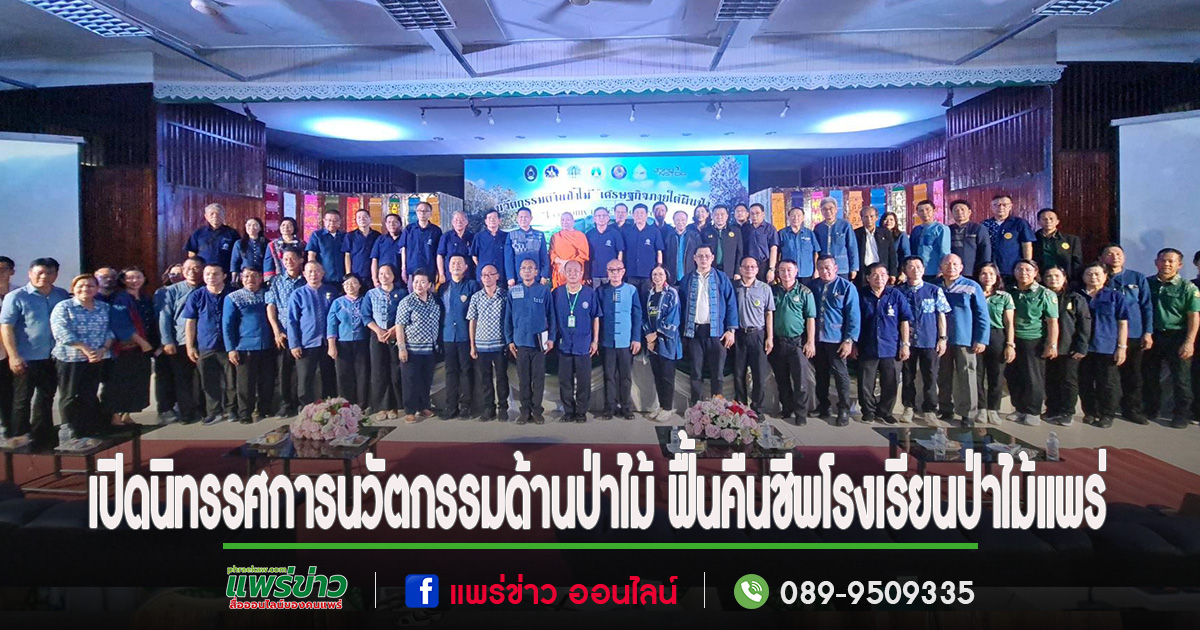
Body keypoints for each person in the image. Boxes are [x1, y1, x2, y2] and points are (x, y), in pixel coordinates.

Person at [49, 274, 113, 437]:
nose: (85, 289)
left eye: (90, 286)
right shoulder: (64, 306)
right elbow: (61, 332)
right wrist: (85, 349)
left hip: (96, 358)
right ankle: (70, 430)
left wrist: (103, 349)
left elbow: (110, 331)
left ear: (97, 289)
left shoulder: (104, 307)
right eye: (81, 286)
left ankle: (88, 429)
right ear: (73, 289)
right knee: (70, 395)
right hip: (70, 358)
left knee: (89, 394)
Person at [1145, 248, 1200, 428]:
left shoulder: (1188, 287)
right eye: (1163, 260)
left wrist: (1189, 342)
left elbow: (1193, 316)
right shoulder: (1147, 283)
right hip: (1153, 335)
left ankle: (1181, 414)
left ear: (1180, 265)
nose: (1166, 264)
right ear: (1156, 262)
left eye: (1171, 261)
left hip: (1177, 336)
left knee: (1181, 379)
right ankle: (1151, 409)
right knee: (1150, 375)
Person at [1101, 243, 1154, 425]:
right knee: (1108, 377)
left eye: (1118, 253)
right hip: (1108, 335)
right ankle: (1107, 411)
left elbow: (1147, 306)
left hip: (1134, 333)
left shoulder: (1137, 277)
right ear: (1102, 258)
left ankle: (1132, 410)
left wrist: (1148, 332)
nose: (1114, 257)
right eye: (1109, 253)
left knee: (1133, 375)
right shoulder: (1100, 277)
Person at [679, 246, 738, 405]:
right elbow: (681, 306)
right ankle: (695, 408)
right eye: (700, 256)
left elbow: (731, 303)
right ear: (694, 258)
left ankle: (717, 409)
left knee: (717, 373)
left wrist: (731, 330)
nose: (703, 259)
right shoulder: (687, 279)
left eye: (707, 256)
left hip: (716, 332)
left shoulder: (721, 278)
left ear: (712, 258)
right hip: (694, 332)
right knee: (695, 372)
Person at [856, 263, 913, 425]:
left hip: (891, 346)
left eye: (882, 274)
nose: (879, 278)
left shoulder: (896, 295)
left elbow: (904, 320)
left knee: (890, 382)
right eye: (875, 275)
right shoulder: (861, 295)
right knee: (865, 382)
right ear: (868, 278)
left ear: (888, 277)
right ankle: (868, 411)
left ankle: (885, 411)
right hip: (867, 345)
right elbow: (854, 320)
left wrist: (905, 344)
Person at [937, 254, 990, 427]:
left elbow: (982, 315)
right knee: (943, 375)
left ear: (961, 267)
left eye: (955, 264)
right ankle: (945, 408)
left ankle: (968, 413)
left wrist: (981, 339)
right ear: (940, 266)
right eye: (947, 263)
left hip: (965, 338)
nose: (950, 267)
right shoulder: (935, 286)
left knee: (967, 375)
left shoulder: (972, 286)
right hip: (941, 340)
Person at [94, 267, 151, 426]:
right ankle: (114, 416)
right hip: (125, 347)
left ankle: (126, 414)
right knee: (118, 383)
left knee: (136, 382)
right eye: (130, 278)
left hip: (141, 348)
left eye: (138, 276)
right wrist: (142, 342)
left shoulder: (145, 297)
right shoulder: (120, 298)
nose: (135, 281)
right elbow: (120, 325)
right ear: (123, 280)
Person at [1006, 259, 1059, 426]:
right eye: (1019, 269)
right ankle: (1019, 408)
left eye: (1028, 270)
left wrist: (1052, 344)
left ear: (1036, 273)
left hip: (1033, 339)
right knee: (1014, 375)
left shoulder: (1045, 294)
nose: (1023, 273)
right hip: (1012, 339)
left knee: (1032, 377)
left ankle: (1033, 411)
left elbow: (1052, 321)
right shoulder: (1009, 291)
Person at [898, 256, 950, 424]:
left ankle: (930, 410)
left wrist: (942, 338)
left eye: (919, 266)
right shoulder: (898, 291)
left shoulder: (934, 290)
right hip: (907, 342)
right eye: (911, 267)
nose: (916, 270)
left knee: (930, 376)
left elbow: (941, 315)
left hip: (929, 339)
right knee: (908, 375)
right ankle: (908, 407)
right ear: (905, 270)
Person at [504, 259, 555, 425]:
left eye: (530, 268)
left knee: (538, 379)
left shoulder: (544, 290)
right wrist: (509, 340)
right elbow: (507, 317)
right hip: (520, 342)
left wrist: (552, 338)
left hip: (539, 344)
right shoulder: (513, 291)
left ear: (536, 272)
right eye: (524, 268)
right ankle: (525, 411)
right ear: (519, 272)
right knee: (524, 379)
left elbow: (551, 315)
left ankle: (537, 411)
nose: (527, 271)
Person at [811, 255, 860, 426]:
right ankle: (824, 406)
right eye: (821, 268)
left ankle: (843, 409)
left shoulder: (846, 287)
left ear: (836, 268)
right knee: (821, 373)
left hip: (837, 339)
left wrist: (849, 340)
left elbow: (853, 316)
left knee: (840, 374)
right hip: (818, 338)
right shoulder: (813, 286)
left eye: (828, 268)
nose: (824, 271)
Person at [184, 263, 234, 425]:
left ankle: (232, 410)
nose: (211, 277)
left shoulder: (232, 293)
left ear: (224, 276)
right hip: (206, 345)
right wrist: (190, 346)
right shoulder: (197, 295)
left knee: (232, 381)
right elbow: (190, 322)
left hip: (229, 346)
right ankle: (214, 412)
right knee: (208, 382)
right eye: (207, 274)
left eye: (215, 274)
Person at [1079, 262, 1128, 429]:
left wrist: (1122, 347)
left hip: (1106, 347)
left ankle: (1107, 414)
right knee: (1085, 381)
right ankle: (1090, 412)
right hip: (1083, 346)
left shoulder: (1116, 296)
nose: (1093, 277)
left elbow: (1122, 323)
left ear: (1105, 276)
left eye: (1097, 274)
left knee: (1107, 383)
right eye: (1089, 274)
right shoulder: (1077, 295)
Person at [222, 266, 274, 424]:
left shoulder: (268, 294)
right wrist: (231, 348)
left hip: (267, 345)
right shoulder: (233, 297)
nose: (250, 279)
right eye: (246, 276)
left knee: (267, 380)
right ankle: (245, 412)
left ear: (261, 278)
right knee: (245, 384)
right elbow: (227, 325)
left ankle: (265, 408)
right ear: (241, 279)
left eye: (254, 276)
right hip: (244, 346)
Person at [158, 257, 204, 424]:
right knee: (183, 379)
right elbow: (164, 317)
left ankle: (203, 410)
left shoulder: (207, 288)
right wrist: (167, 341)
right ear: (183, 271)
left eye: (196, 268)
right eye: (188, 268)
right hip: (180, 341)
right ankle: (186, 413)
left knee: (203, 379)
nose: (192, 271)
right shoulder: (170, 291)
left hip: (204, 341)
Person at [770, 259, 816, 425]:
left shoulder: (805, 292)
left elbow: (810, 318)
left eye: (789, 270)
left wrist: (810, 342)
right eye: (782, 270)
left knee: (800, 380)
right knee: (781, 379)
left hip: (797, 342)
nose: (786, 273)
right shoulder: (773, 291)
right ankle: (787, 409)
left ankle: (801, 413)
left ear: (796, 271)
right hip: (778, 342)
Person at [552, 260, 599, 422]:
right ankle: (568, 411)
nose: (572, 274)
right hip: (564, 343)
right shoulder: (557, 293)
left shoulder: (589, 293)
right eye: (569, 271)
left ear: (581, 273)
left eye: (576, 271)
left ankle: (581, 412)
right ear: (564, 273)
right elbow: (551, 318)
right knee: (565, 380)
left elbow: (596, 317)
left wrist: (595, 341)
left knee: (584, 381)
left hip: (583, 344)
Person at [1043, 266, 1090, 425]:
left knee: (1068, 380)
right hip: (1047, 346)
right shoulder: (1042, 296)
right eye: (1049, 276)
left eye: (1057, 276)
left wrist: (1081, 346)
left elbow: (1084, 323)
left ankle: (1067, 412)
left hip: (1069, 347)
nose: (1053, 279)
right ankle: (1052, 409)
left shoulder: (1075, 298)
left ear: (1064, 278)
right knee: (1051, 379)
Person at [598, 258, 643, 420]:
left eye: (618, 270)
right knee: (609, 376)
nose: (615, 273)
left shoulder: (631, 290)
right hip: (607, 341)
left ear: (623, 271)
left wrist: (636, 338)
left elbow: (637, 315)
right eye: (611, 270)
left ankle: (626, 407)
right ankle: (609, 407)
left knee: (625, 377)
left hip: (626, 341)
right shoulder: (601, 291)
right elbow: (597, 318)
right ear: (607, 272)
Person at [395, 269, 442, 423]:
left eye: (422, 282)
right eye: (415, 282)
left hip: (430, 348)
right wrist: (402, 348)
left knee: (425, 380)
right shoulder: (407, 302)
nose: (418, 285)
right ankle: (410, 410)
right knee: (410, 381)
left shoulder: (435, 300)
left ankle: (424, 406)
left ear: (429, 284)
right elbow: (399, 326)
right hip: (411, 349)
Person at [287, 261, 335, 406]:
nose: (313, 275)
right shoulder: (298, 294)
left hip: (327, 342)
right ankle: (305, 408)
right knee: (305, 378)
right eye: (310, 272)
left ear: (322, 273)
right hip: (306, 343)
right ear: (304, 274)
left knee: (329, 377)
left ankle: (330, 407)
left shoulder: (331, 291)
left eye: (316, 271)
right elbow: (292, 321)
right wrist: (294, 344)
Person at [732, 257, 774, 416]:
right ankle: (740, 409)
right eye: (745, 266)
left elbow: (769, 313)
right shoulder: (734, 287)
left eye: (752, 266)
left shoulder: (764, 288)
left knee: (759, 375)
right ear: (740, 269)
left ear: (757, 269)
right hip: (739, 335)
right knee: (739, 374)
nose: (749, 269)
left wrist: (770, 337)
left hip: (758, 335)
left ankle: (757, 410)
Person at [266, 249, 305, 417]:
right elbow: (271, 306)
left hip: (304, 332)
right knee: (284, 370)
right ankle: (285, 404)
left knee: (302, 371)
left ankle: (302, 404)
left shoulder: (306, 280)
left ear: (301, 260)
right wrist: (276, 331)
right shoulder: (276, 281)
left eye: (292, 258)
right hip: (284, 332)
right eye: (286, 258)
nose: (288, 261)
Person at [363, 263, 406, 421]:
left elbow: (406, 313)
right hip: (377, 335)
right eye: (381, 274)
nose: (384, 276)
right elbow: (366, 316)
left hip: (396, 334)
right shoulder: (371, 294)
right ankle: (382, 407)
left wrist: (394, 329)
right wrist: (378, 331)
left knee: (396, 370)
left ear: (394, 275)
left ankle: (396, 405)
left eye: (387, 273)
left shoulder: (402, 293)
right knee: (379, 371)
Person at [439, 255, 480, 419]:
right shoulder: (443, 287)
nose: (456, 265)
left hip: (465, 336)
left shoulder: (472, 286)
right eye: (453, 263)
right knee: (450, 372)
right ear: (448, 267)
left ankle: (466, 406)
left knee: (466, 371)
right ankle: (451, 406)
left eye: (459, 263)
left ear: (466, 267)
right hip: (448, 335)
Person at [468, 264, 509, 421]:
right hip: (482, 345)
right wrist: (472, 345)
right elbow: (472, 321)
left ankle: (503, 407)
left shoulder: (505, 296)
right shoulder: (476, 297)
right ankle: (488, 408)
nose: (487, 277)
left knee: (501, 377)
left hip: (500, 344)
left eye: (491, 274)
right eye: (484, 275)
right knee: (485, 379)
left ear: (497, 276)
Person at [977, 263, 1015, 425]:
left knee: (996, 375)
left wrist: (1010, 344)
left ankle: (993, 409)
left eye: (991, 274)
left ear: (997, 276)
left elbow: (1009, 323)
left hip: (997, 335)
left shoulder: (1004, 296)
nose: (988, 277)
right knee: (977, 375)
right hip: (977, 336)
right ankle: (981, 408)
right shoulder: (973, 293)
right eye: (984, 273)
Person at [324, 273, 370, 409]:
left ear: (359, 285)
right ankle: (346, 406)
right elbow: (331, 324)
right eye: (347, 284)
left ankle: (362, 405)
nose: (350, 286)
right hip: (343, 343)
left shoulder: (365, 300)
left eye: (353, 283)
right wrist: (331, 345)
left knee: (362, 374)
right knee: (344, 375)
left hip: (362, 342)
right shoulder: (337, 303)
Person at [644, 265, 682, 422]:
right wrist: (648, 335)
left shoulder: (672, 293)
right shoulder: (650, 294)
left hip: (667, 342)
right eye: (654, 274)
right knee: (658, 375)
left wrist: (656, 335)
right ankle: (661, 405)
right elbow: (645, 317)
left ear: (666, 276)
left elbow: (674, 317)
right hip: (652, 343)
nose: (657, 277)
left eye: (660, 274)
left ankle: (668, 408)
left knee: (667, 376)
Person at [982, 194, 1035, 283]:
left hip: (1012, 268)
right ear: (991, 207)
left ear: (1010, 206)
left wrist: (1027, 265)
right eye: (996, 205)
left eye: (1004, 205)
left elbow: (1027, 245)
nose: (1001, 207)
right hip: (990, 269)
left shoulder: (1019, 223)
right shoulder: (985, 224)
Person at [153, 265, 181, 423]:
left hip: (182, 341)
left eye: (180, 273)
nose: (176, 276)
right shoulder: (163, 292)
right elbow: (162, 317)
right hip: (165, 342)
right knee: (165, 375)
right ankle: (165, 408)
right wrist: (166, 341)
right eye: (173, 273)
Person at [621, 204, 664, 297]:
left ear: (646, 215)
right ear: (633, 215)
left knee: (647, 299)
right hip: (631, 272)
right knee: (632, 299)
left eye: (642, 213)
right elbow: (622, 251)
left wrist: (659, 267)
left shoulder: (654, 231)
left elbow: (659, 251)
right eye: (637, 213)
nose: (639, 215)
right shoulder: (626, 232)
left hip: (648, 273)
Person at [813, 198, 859, 281]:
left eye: (831, 208)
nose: (828, 211)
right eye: (824, 209)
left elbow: (852, 247)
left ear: (836, 209)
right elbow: (816, 250)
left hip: (841, 267)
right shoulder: (818, 228)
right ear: (821, 211)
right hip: (824, 269)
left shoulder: (845, 225)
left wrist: (854, 268)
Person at [185, 203, 238, 272]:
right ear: (206, 216)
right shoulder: (199, 232)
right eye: (212, 214)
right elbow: (192, 253)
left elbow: (237, 254)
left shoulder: (232, 233)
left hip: (224, 272)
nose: (215, 216)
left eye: (218, 213)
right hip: (203, 272)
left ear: (223, 215)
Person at [1034, 208, 1083, 282]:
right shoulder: (1032, 240)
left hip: (1066, 280)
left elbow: (1077, 262)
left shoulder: (1071, 239)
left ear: (1057, 221)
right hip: (1040, 279)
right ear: (1038, 222)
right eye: (1044, 219)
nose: (1048, 221)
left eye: (1051, 219)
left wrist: (1074, 280)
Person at [504, 207, 550, 286]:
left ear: (531, 218)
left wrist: (544, 275)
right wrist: (510, 277)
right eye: (521, 217)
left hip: (537, 278)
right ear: (517, 219)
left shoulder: (539, 235)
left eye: (526, 217)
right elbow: (508, 258)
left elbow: (544, 256)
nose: (523, 219)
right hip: (518, 278)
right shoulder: (511, 235)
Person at [401, 202, 442, 287]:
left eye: (425, 211)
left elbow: (439, 253)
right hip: (412, 269)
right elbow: (404, 249)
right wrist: (403, 268)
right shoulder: (409, 229)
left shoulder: (436, 230)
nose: (422, 213)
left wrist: (439, 271)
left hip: (429, 269)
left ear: (430, 213)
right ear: (416, 212)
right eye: (420, 211)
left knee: (429, 293)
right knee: (412, 293)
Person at [948, 200, 991, 279]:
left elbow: (985, 248)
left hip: (972, 271)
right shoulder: (948, 229)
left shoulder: (978, 228)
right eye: (956, 210)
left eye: (962, 209)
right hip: (952, 270)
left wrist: (984, 267)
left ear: (969, 212)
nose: (959, 212)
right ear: (951, 213)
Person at [854, 205, 897, 285]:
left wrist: (893, 273)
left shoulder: (885, 233)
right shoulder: (856, 234)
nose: (869, 219)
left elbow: (892, 254)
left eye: (871, 216)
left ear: (876, 218)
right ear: (861, 218)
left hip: (881, 270)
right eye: (865, 217)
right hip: (863, 272)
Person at [585, 206, 625, 288]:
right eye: (598, 216)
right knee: (596, 294)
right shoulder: (589, 234)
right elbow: (586, 255)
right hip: (594, 273)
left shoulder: (615, 233)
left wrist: (618, 270)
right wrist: (587, 273)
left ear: (608, 218)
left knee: (610, 294)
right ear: (594, 219)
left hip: (611, 273)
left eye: (604, 215)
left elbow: (620, 252)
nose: (601, 218)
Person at [910, 201, 950, 283]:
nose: (924, 213)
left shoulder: (941, 228)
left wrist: (942, 269)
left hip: (934, 271)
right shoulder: (916, 230)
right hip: (917, 271)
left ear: (934, 211)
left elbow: (945, 251)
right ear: (917, 213)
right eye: (921, 211)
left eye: (927, 209)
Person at [307, 209, 347, 287]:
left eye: (335, 221)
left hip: (342, 278)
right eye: (329, 220)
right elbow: (311, 255)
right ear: (324, 221)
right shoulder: (317, 235)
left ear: (340, 222)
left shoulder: (345, 236)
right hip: (324, 278)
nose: (332, 223)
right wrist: (313, 274)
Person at [549, 212, 589, 289]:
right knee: (560, 293)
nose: (565, 222)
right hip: (560, 270)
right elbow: (552, 253)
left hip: (575, 271)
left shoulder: (580, 236)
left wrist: (568, 264)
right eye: (562, 220)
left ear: (573, 222)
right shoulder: (555, 236)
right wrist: (561, 262)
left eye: (568, 220)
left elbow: (583, 255)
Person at [742, 203, 779, 283]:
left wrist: (771, 269)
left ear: (763, 214)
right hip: (749, 266)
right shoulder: (746, 229)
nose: (754, 216)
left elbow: (773, 249)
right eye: (752, 213)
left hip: (764, 265)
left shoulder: (770, 229)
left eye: (757, 213)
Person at [342, 209, 380, 286]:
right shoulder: (350, 236)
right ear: (356, 220)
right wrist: (349, 274)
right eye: (359, 217)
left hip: (373, 275)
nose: (362, 219)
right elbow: (347, 256)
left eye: (365, 217)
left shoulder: (377, 236)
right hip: (356, 274)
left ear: (370, 219)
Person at [230, 217, 274, 284]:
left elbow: (269, 262)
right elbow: (235, 262)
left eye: (255, 225)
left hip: (261, 277)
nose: (251, 227)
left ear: (260, 228)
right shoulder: (239, 243)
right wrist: (234, 277)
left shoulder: (267, 243)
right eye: (249, 225)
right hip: (245, 277)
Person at [779, 206, 818, 280]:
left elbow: (816, 253)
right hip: (788, 274)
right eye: (793, 216)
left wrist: (816, 270)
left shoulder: (809, 233)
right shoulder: (782, 233)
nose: (796, 218)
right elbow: (777, 254)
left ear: (803, 218)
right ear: (788, 217)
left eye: (799, 215)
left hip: (807, 273)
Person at [662, 210, 700, 285]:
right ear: (673, 220)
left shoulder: (694, 236)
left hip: (690, 276)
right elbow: (664, 256)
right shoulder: (668, 236)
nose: (680, 222)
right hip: (672, 277)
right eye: (677, 220)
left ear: (687, 220)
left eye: (683, 220)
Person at [471, 209, 508, 286]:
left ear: (499, 220)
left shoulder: (506, 236)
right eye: (489, 218)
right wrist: (482, 267)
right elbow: (474, 256)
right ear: (486, 221)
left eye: (494, 217)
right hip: (484, 276)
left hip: (501, 275)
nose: (492, 220)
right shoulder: (479, 236)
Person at [437, 210, 473, 285]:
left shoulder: (472, 237)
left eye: (462, 220)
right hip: (450, 276)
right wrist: (441, 274)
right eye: (456, 220)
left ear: (466, 222)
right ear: (452, 222)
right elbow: (440, 256)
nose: (459, 222)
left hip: (468, 275)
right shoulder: (446, 236)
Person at [710, 205, 744, 281]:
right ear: (712, 216)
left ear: (727, 216)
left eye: (722, 214)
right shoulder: (706, 232)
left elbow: (739, 253)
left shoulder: (735, 231)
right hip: (711, 271)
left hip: (730, 272)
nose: (719, 217)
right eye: (716, 214)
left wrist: (738, 272)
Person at [266, 217, 304, 282]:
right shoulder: (272, 245)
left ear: (294, 228)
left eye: (289, 225)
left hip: (299, 277)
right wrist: (269, 280)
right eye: (283, 225)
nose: (286, 227)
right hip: (279, 278)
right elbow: (268, 264)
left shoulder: (302, 244)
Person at [371, 213, 404, 288]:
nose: (391, 224)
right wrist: (374, 279)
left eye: (395, 222)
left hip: (401, 278)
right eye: (389, 222)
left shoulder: (406, 238)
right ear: (385, 224)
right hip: (384, 278)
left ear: (400, 224)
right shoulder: (381, 239)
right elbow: (374, 259)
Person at [0, 256, 14, 433]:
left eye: (3, 269)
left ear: (11, 272)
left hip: (16, 349)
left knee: (12, 390)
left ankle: (13, 425)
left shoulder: (19, 294)